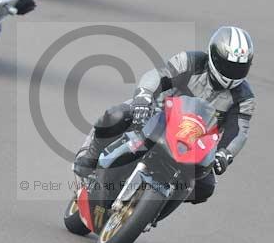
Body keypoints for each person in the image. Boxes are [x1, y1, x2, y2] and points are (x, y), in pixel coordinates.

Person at [73, 26, 256, 204]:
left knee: (205, 187)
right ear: (213, 56)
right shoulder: (191, 61)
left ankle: (157, 206)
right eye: (228, 65)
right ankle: (89, 156)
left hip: (194, 142)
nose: (232, 72)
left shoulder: (244, 97)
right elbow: (159, 75)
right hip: (157, 114)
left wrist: (224, 154)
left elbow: (238, 131)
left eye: (239, 68)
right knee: (116, 116)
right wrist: (144, 95)